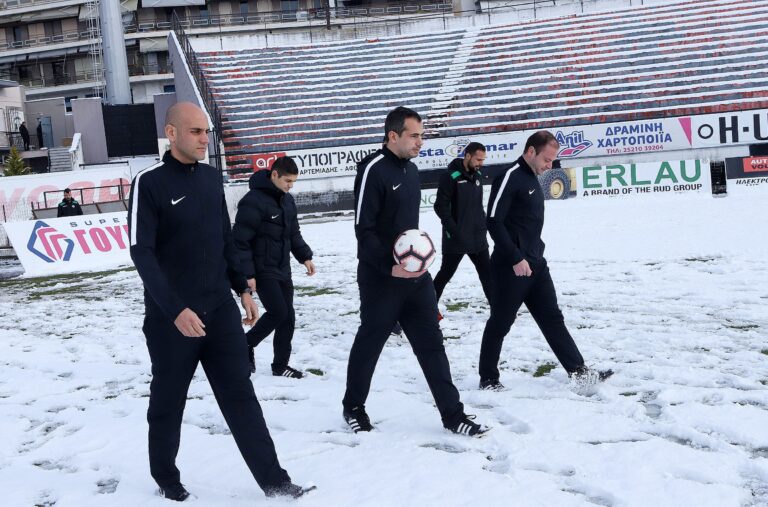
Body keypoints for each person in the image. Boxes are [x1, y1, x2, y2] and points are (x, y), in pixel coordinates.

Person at [128, 102, 313, 501]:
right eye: (195, 132)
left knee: (241, 396)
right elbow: (141, 252)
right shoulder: (149, 182)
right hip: (173, 320)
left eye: (206, 132)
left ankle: (275, 482)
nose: (204, 140)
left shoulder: (212, 179)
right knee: (168, 403)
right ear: (172, 133)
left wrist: (242, 288)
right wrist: (175, 310)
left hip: (220, 311)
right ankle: (166, 479)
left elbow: (225, 240)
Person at [342, 106, 488, 437]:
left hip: (416, 278)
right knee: (370, 344)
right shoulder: (373, 170)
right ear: (393, 136)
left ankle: (453, 415)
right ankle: (353, 407)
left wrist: (416, 260)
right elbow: (364, 230)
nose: (420, 142)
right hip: (381, 279)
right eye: (414, 135)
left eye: (422, 135)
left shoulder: (411, 170)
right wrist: (390, 266)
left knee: (432, 344)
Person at [478, 131, 613, 391]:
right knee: (501, 323)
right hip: (511, 267)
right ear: (531, 151)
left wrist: (533, 256)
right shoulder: (509, 177)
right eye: (547, 160)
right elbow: (493, 221)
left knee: (552, 318)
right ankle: (488, 378)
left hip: (536, 265)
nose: (550, 166)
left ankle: (579, 371)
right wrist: (516, 257)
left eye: (552, 161)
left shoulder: (532, 178)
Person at [232, 156, 315, 379]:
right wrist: (248, 274)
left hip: (283, 268)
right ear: (274, 174)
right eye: (287, 181)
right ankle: (245, 345)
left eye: (293, 182)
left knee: (288, 318)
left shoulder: (288, 201)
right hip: (262, 269)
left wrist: (305, 257)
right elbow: (240, 241)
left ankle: (280, 365)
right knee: (278, 312)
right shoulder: (252, 201)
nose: (290, 186)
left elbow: (293, 234)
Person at [432, 141, 492, 319]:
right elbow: (440, 207)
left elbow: (478, 206)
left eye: (483, 160)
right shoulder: (450, 176)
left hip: (478, 237)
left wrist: (483, 224)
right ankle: (428, 308)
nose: (481, 163)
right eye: (478, 159)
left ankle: (499, 309)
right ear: (467, 156)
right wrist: (454, 230)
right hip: (456, 238)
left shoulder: (478, 175)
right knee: (445, 274)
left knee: (488, 274)